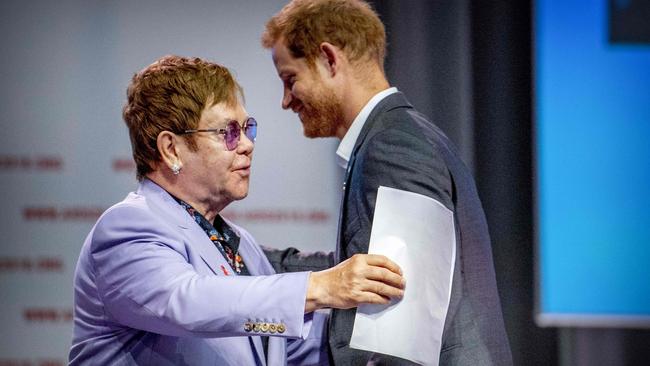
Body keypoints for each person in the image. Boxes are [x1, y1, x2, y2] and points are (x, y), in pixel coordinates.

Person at [68, 55, 405, 365]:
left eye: (247, 129)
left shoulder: (236, 242)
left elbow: (280, 343)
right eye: (228, 132)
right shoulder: (129, 226)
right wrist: (320, 287)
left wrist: (384, 333)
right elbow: (186, 301)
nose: (247, 145)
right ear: (171, 149)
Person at [261, 1, 513, 365]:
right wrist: (249, 257)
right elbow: (371, 271)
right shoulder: (395, 137)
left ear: (329, 60)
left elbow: (400, 330)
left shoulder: (391, 147)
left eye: (290, 80)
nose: (286, 101)